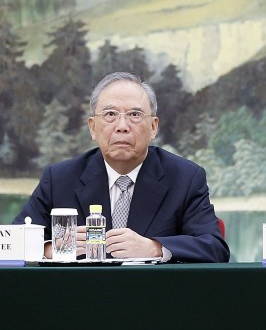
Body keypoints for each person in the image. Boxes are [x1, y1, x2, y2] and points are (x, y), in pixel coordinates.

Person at [14, 71, 229, 263]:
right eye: (110, 115)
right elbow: (12, 243)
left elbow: (214, 248)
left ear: (153, 127)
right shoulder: (59, 179)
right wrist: (51, 250)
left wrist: (155, 248)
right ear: (92, 128)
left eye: (135, 115)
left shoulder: (185, 178)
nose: (122, 127)